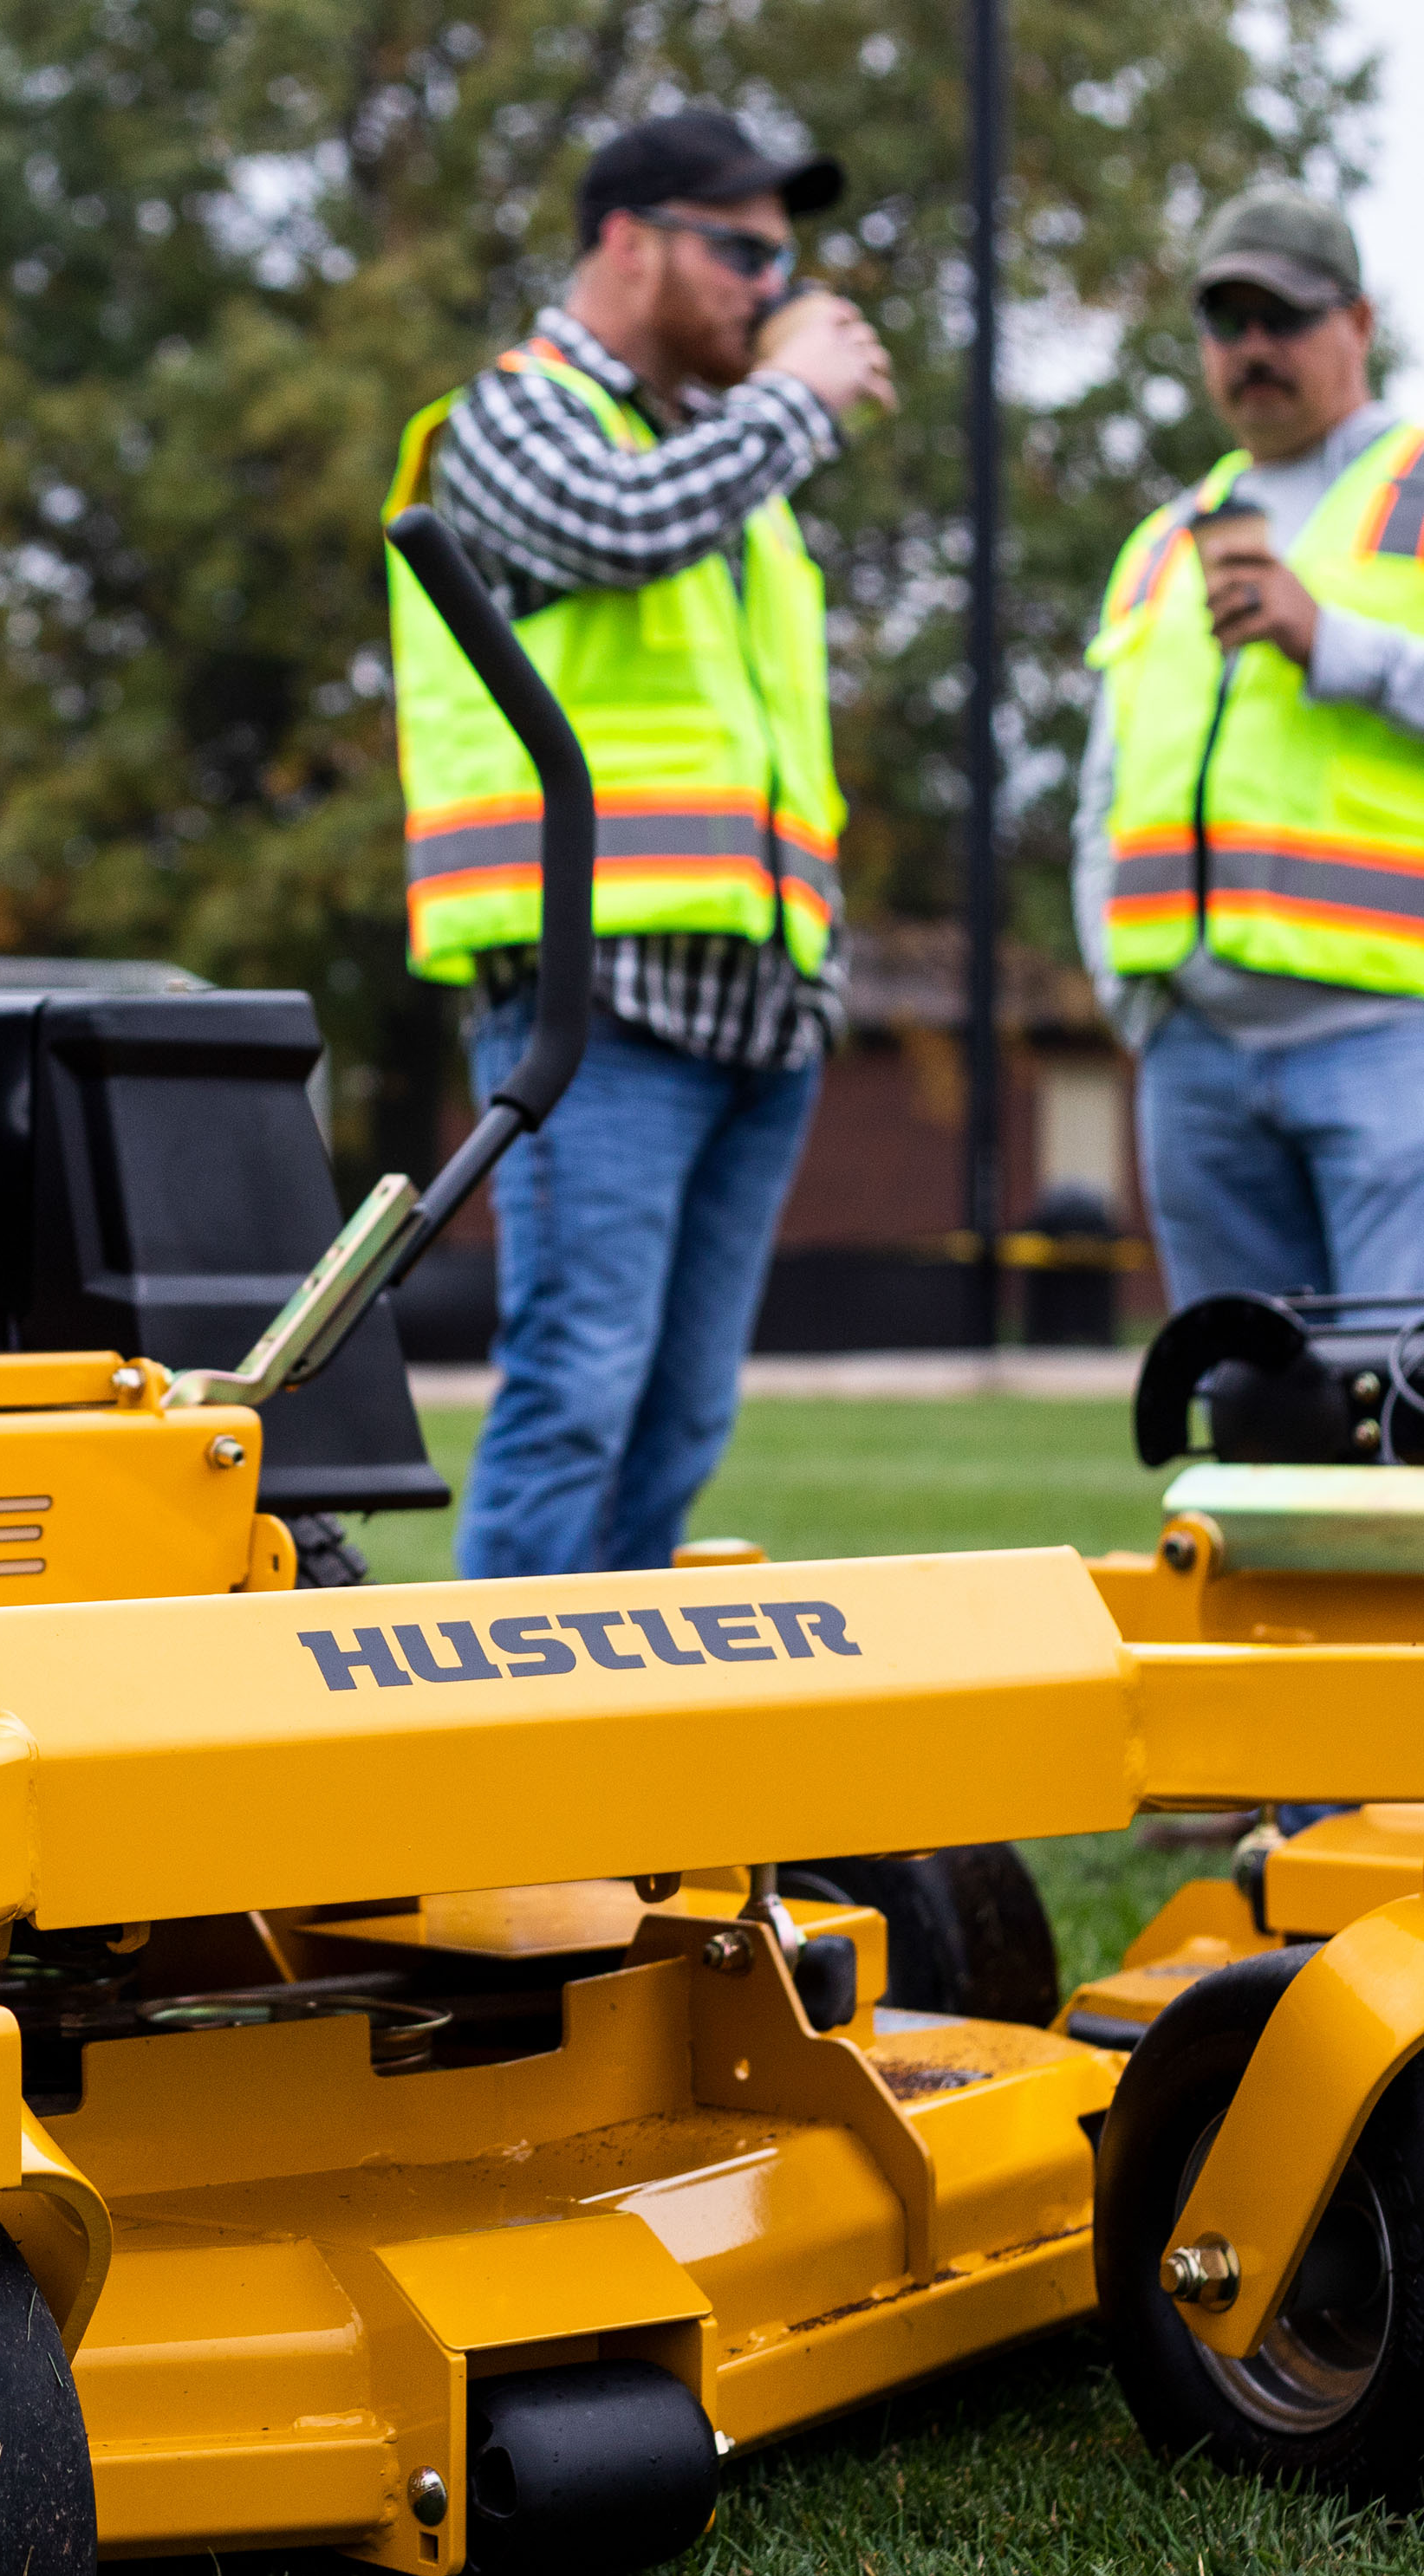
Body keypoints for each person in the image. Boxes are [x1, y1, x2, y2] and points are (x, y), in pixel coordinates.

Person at [387, 108, 897, 1580]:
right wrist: (798, 400)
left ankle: (619, 1756)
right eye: (740, 249)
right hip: (592, 1006)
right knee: (578, 1396)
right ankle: (508, 1761)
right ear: (628, 243)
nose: (768, 284)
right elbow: (614, 529)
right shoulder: (514, 413)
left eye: (782, 258)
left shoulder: (727, 468)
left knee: (680, 1417)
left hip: (760, 1008)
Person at [1077, 185, 1424, 1308]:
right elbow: (1103, 800)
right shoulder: (1161, 542)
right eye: (1228, 320)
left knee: (1418, 1421)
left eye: (1286, 316)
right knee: (1253, 1424)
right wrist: (1135, 1002)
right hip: (1197, 1056)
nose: (1254, 347)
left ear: (1358, 325)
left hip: (1400, 1039)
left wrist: (1337, 645)